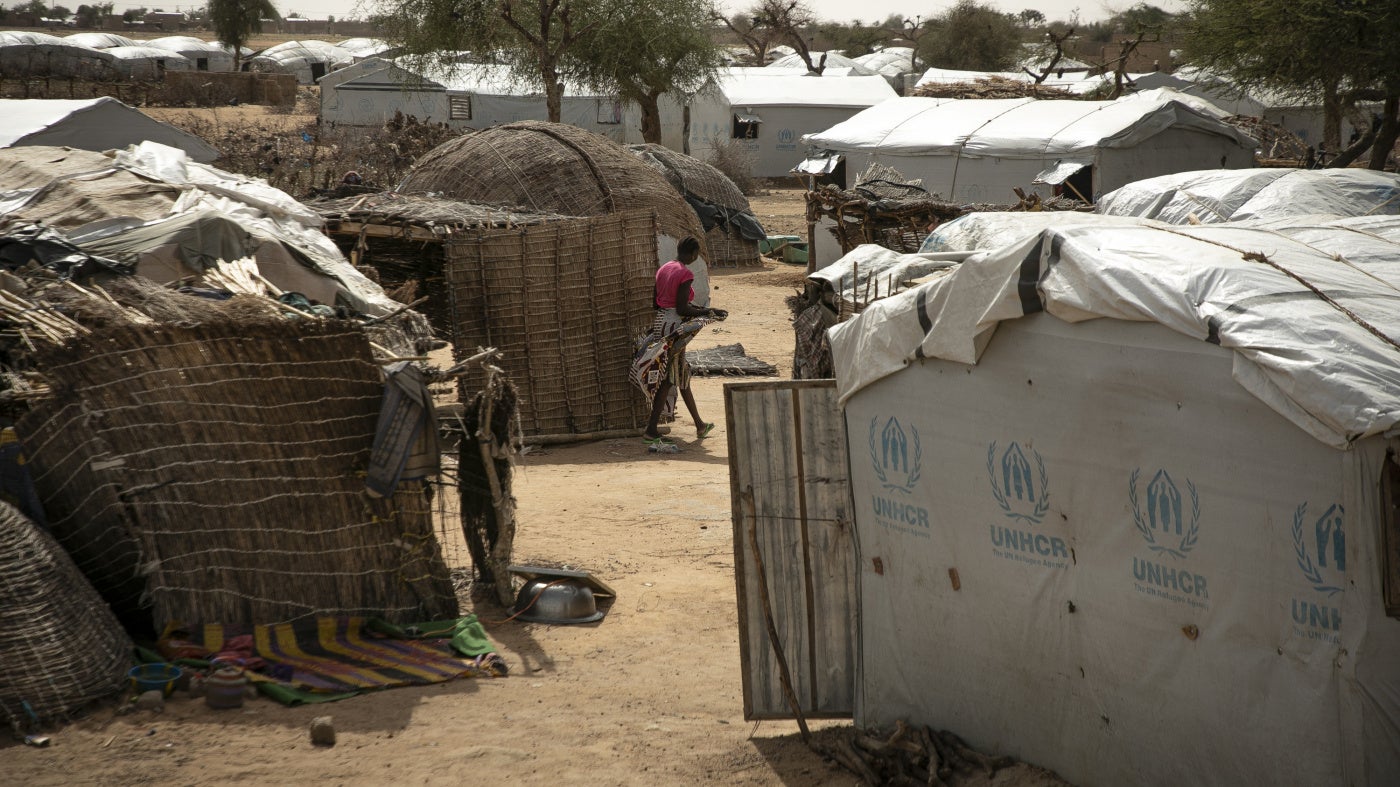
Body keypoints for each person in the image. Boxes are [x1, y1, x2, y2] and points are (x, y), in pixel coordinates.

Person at [630, 237, 727, 447]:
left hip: (661, 323)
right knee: (668, 378)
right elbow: (682, 309)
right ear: (693, 254)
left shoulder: (664, 268)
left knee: (680, 372)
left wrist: (697, 311)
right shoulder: (685, 273)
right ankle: (651, 429)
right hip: (674, 328)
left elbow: (657, 302)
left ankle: (700, 425)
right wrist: (709, 311)